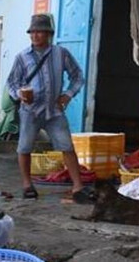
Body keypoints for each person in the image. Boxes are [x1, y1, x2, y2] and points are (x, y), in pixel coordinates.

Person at [7, 13, 92, 203]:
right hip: (30, 111)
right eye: (33, 32)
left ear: (49, 34)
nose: (36, 35)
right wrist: (19, 95)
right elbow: (11, 83)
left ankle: (78, 186)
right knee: (25, 147)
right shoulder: (21, 57)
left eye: (40, 32)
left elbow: (77, 76)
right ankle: (27, 185)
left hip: (54, 111)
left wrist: (68, 95)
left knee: (66, 146)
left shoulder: (60, 54)